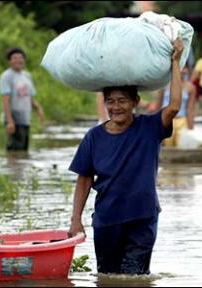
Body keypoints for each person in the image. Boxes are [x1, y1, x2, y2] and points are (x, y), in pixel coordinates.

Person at [67, 38, 184, 275]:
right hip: (107, 219)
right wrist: (75, 219)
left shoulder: (149, 127)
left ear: (135, 102)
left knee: (134, 277)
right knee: (107, 277)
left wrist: (175, 62)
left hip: (142, 217)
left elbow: (173, 107)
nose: (115, 107)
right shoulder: (94, 137)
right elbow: (84, 180)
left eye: (122, 101)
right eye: (110, 101)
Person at [0, 48, 44, 151]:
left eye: (20, 57)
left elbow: (30, 98)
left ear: (24, 60)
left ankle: (21, 168)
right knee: (14, 151)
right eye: (14, 58)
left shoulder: (27, 76)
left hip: (25, 119)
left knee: (23, 151)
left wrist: (38, 109)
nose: (18, 60)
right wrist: (10, 121)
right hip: (14, 119)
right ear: (9, 61)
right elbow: (5, 100)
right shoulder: (6, 76)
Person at [154, 66, 196, 147]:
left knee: (181, 146)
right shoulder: (164, 86)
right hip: (166, 119)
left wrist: (191, 127)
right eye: (181, 68)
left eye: (185, 68)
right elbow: (158, 105)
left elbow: (190, 109)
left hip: (182, 120)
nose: (183, 71)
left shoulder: (191, 88)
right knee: (166, 146)